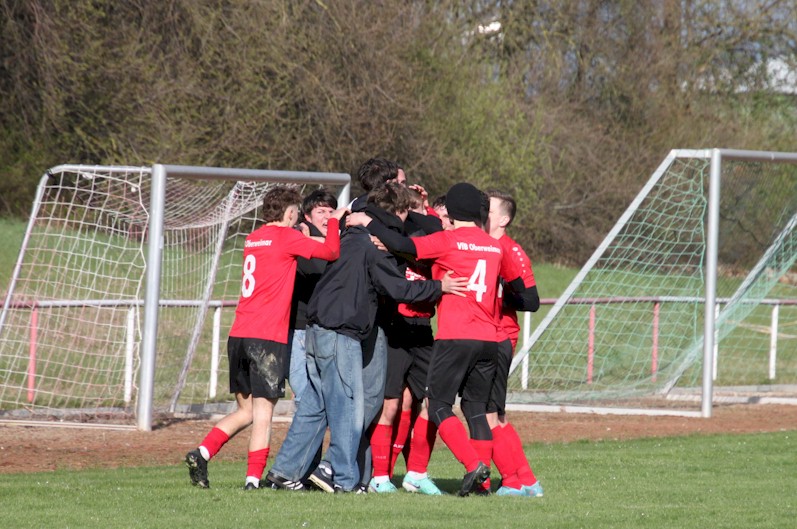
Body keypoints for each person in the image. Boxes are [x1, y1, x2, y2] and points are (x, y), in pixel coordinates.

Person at [266, 182, 468, 493]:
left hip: (317, 329)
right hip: (340, 332)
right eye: (404, 215)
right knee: (348, 405)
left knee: (316, 406)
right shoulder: (372, 243)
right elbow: (399, 288)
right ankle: (345, 480)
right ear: (397, 212)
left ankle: (283, 472)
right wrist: (440, 287)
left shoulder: (351, 236)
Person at [348, 182, 537, 496]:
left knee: (437, 405)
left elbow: (403, 244)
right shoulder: (495, 246)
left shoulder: (448, 242)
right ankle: (483, 486)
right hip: (490, 339)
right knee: (477, 410)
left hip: (456, 336)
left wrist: (369, 222)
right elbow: (522, 292)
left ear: (453, 211)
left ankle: (473, 466)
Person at [184, 185, 347, 490]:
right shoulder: (287, 236)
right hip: (266, 338)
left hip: (239, 335)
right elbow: (332, 251)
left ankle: (202, 452)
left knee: (245, 411)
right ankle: (252, 481)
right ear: (289, 213)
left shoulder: (253, 237)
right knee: (263, 414)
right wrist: (335, 220)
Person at [483, 189, 543, 497]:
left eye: (489, 209)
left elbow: (531, 300)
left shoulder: (510, 250)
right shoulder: (481, 244)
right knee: (496, 413)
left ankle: (512, 481)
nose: (483, 212)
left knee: (487, 412)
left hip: (499, 336)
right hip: (483, 335)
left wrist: (497, 291)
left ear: (504, 219)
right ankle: (527, 479)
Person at [288, 188, 339, 405]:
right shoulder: (297, 239)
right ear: (307, 217)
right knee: (305, 395)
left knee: (323, 395)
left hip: (327, 329)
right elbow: (315, 269)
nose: (328, 217)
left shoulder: (341, 242)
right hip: (299, 328)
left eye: (331, 211)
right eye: (321, 212)